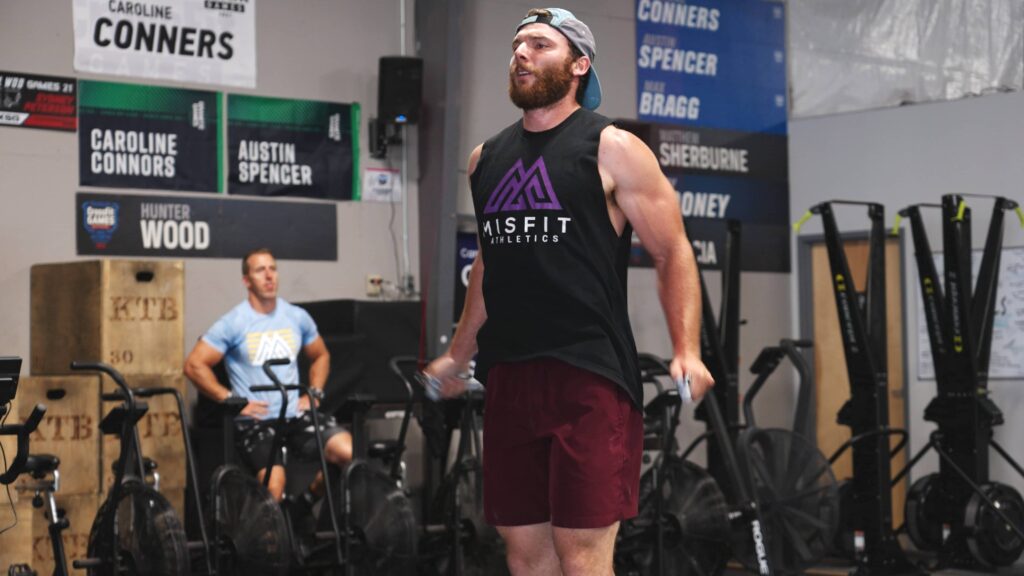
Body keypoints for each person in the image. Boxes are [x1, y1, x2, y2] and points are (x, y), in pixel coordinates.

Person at [423, 7, 715, 576]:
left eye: (539, 44)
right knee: (526, 559)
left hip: (588, 375)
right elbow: (490, 262)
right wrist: (460, 354)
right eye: (516, 46)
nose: (521, 54)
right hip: (509, 375)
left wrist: (687, 349)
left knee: (581, 557)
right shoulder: (486, 159)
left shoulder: (613, 148)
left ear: (578, 65)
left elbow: (671, 249)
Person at [184, 248, 352, 507]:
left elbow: (321, 356)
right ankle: (266, 542)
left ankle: (306, 502)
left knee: (349, 453)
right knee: (274, 486)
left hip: (294, 415)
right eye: (260, 270)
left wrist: (314, 393)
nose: (269, 276)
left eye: (273, 268)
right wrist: (233, 400)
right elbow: (194, 365)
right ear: (246, 281)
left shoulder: (296, 317)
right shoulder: (234, 322)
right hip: (257, 421)